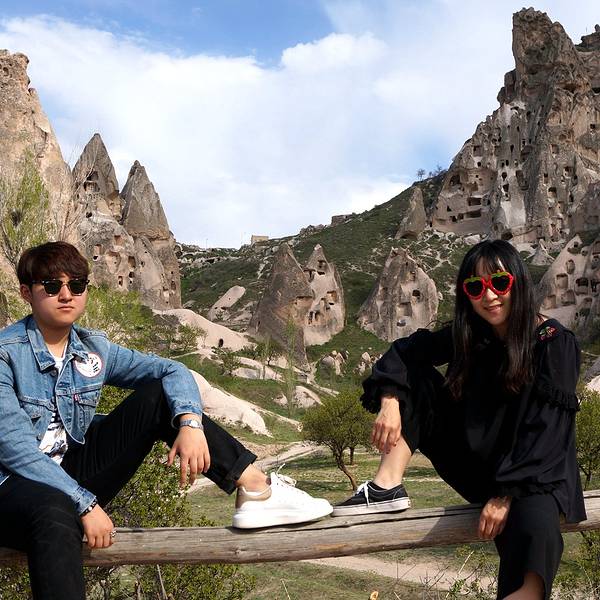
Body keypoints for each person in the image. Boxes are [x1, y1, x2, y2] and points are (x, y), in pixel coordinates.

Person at [0, 241, 332, 600]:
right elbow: (17, 451)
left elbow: (172, 370)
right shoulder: (6, 353)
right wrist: (85, 504)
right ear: (26, 293)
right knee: (54, 510)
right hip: (13, 486)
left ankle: (255, 489)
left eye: (76, 285)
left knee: (157, 395)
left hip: (69, 474)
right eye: (52, 286)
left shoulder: (93, 349)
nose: (66, 295)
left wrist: (190, 423)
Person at [333, 240, 586, 600]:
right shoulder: (470, 335)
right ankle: (386, 487)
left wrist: (505, 495)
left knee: (536, 525)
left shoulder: (553, 342)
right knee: (413, 375)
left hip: (534, 472)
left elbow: (548, 428)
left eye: (500, 283)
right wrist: (389, 401)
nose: (489, 296)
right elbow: (405, 351)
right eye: (475, 287)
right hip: (479, 465)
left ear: (518, 282)